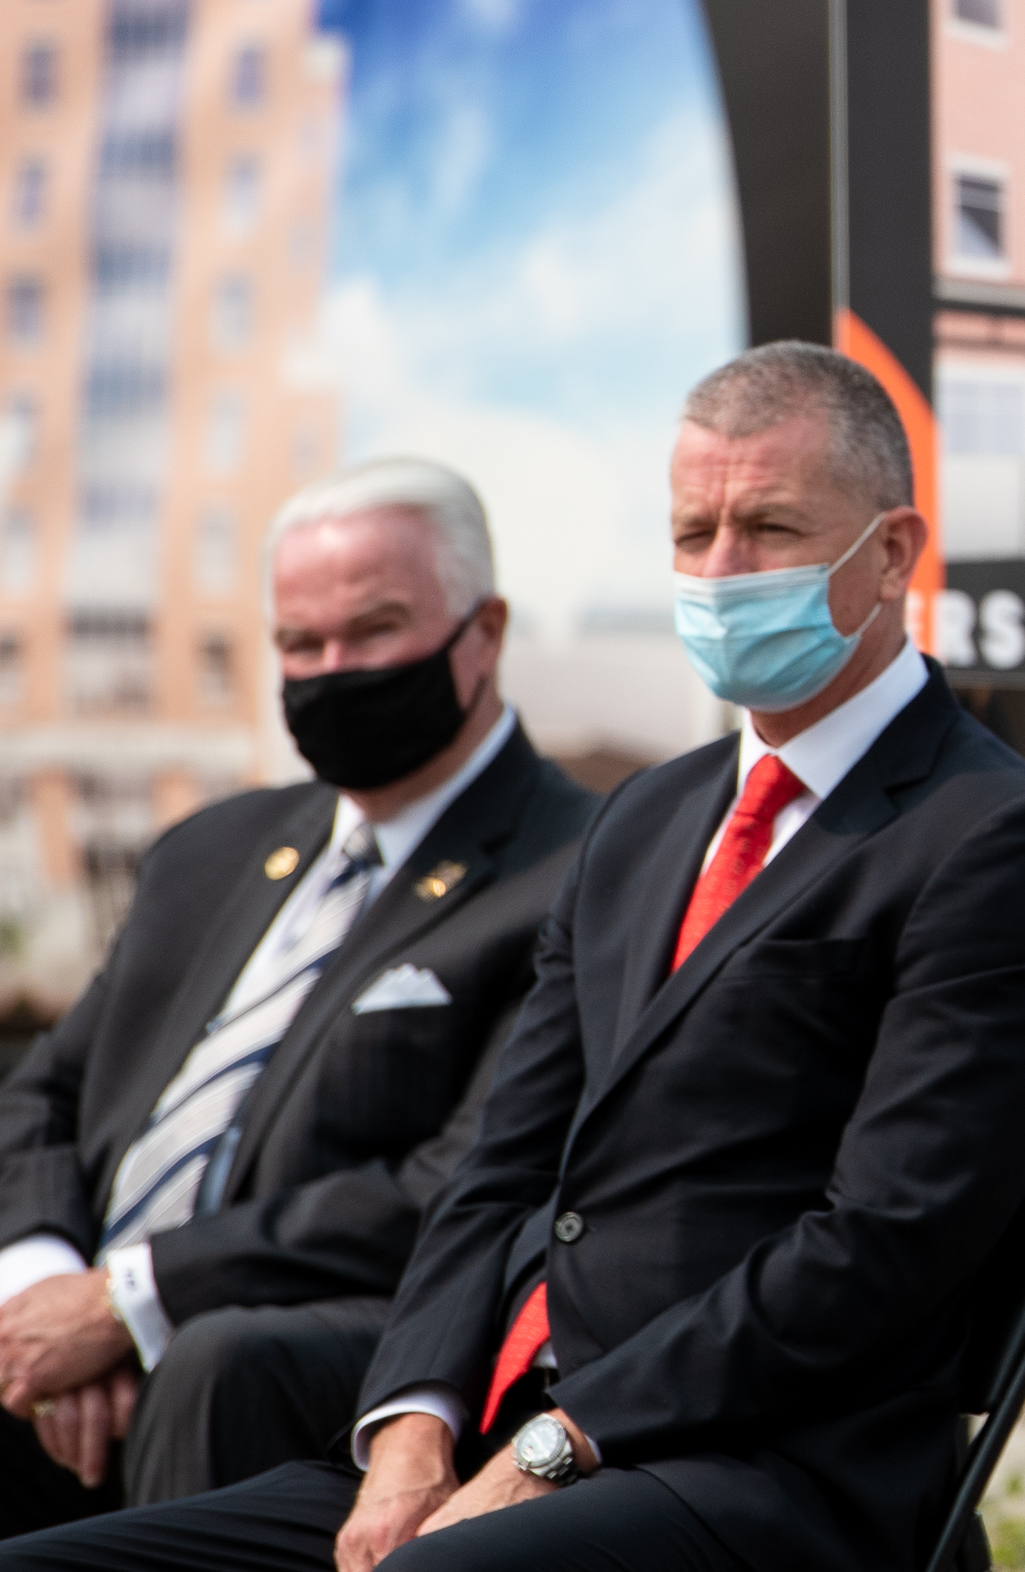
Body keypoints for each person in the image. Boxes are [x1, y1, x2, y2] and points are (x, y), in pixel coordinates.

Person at [0, 340, 1025, 1572]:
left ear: (894, 550)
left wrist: (563, 1444)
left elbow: (884, 1243)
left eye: (773, 529)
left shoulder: (996, 843)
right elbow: (502, 1164)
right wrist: (414, 1418)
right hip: (506, 1438)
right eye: (695, 534)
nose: (723, 570)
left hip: (757, 1474)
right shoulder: (645, 818)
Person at [0, 462, 592, 1525]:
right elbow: (42, 1097)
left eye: (373, 631)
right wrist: (46, 1296)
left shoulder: (584, 869)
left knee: (219, 1364)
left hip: (321, 1346)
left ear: (485, 631)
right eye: (299, 645)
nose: (332, 670)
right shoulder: (211, 852)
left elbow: (459, 1179)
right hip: (92, 1330)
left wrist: (137, 1301)